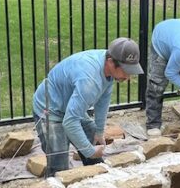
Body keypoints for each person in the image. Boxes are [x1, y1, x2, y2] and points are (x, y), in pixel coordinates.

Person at [33, 37, 143, 176]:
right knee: (59, 164)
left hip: (68, 104)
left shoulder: (107, 65)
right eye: (126, 71)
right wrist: (89, 151)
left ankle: (97, 180)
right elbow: (70, 122)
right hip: (50, 110)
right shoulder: (89, 80)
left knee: (92, 134)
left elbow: (103, 100)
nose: (128, 77)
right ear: (110, 62)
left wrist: (99, 131)